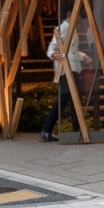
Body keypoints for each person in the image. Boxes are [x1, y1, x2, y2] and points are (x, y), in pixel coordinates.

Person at [40, 10, 90, 142]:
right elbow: (52, 48)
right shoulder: (63, 28)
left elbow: (71, 50)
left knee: (74, 101)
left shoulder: (72, 28)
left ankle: (77, 132)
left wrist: (83, 56)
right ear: (69, 14)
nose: (79, 18)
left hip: (73, 69)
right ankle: (47, 130)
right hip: (66, 70)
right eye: (77, 15)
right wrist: (53, 55)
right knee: (65, 100)